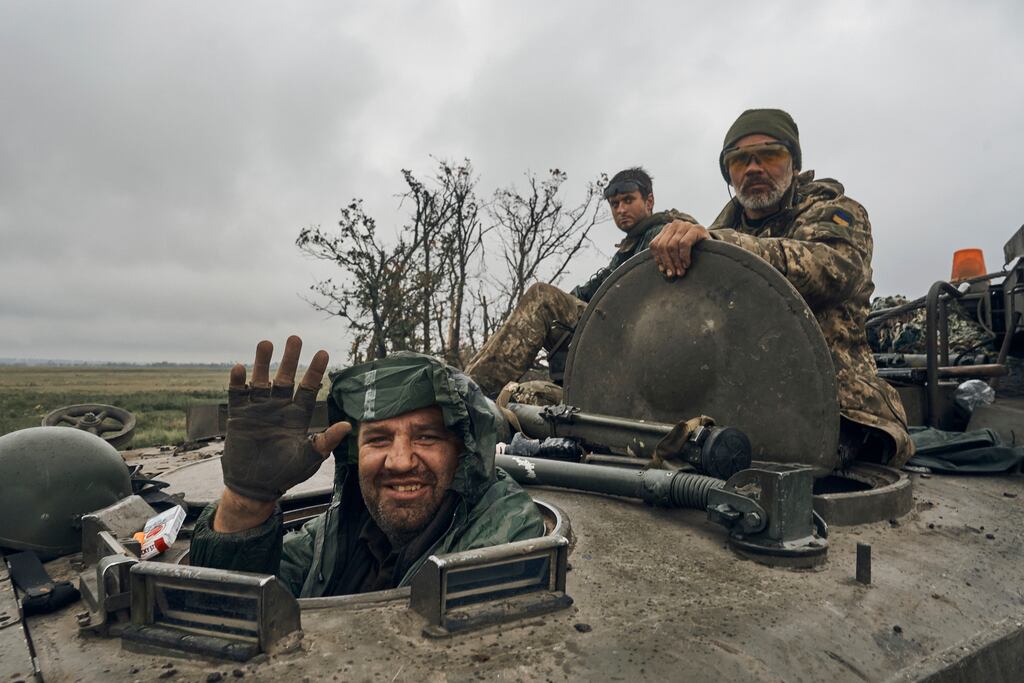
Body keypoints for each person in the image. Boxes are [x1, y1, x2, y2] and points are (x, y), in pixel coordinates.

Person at [649, 108, 914, 467]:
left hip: (837, 407)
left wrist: (723, 248)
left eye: (770, 154)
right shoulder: (718, 233)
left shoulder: (836, 212)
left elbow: (832, 270)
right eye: (739, 160)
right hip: (736, 403)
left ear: (795, 164)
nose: (753, 168)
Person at [190, 336, 545, 597]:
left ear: (463, 453)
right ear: (354, 453)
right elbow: (231, 604)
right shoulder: (338, 532)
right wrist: (246, 501)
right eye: (378, 439)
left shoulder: (503, 533)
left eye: (426, 437)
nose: (400, 461)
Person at [465, 167, 696, 397]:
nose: (621, 209)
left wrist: (552, 305)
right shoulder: (627, 249)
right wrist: (560, 306)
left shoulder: (663, 236)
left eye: (628, 200)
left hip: (637, 340)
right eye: (614, 204)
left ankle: (470, 393)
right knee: (527, 390)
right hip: (616, 336)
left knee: (542, 298)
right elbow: (589, 291)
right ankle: (467, 382)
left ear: (649, 200)